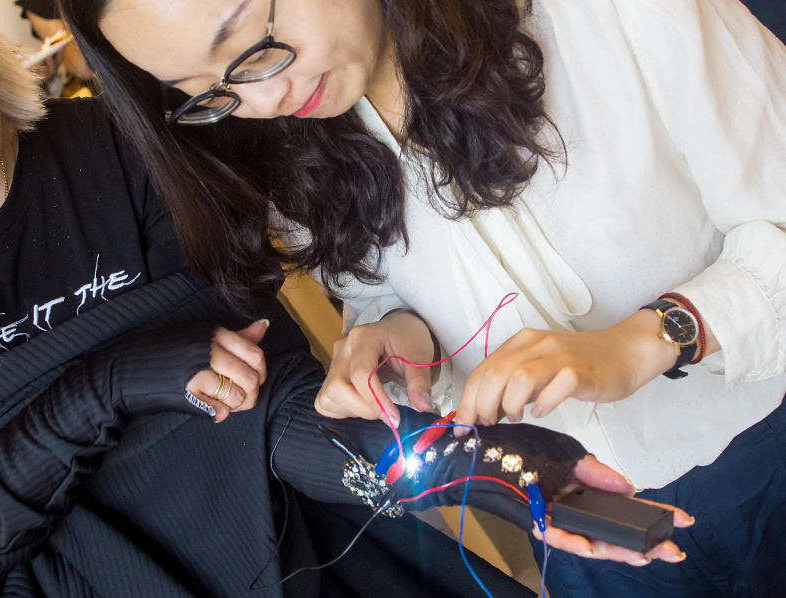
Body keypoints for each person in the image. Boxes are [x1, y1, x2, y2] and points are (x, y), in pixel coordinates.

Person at [0, 1, 686, 597]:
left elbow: (281, 401)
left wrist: (465, 465)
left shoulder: (121, 150)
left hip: (300, 556)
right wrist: (106, 386)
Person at [58, 0, 786, 595]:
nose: (262, 97)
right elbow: (386, 295)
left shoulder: (601, 18)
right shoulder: (299, 158)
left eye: (252, 44)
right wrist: (399, 336)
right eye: (210, 91)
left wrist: (646, 338)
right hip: (589, 517)